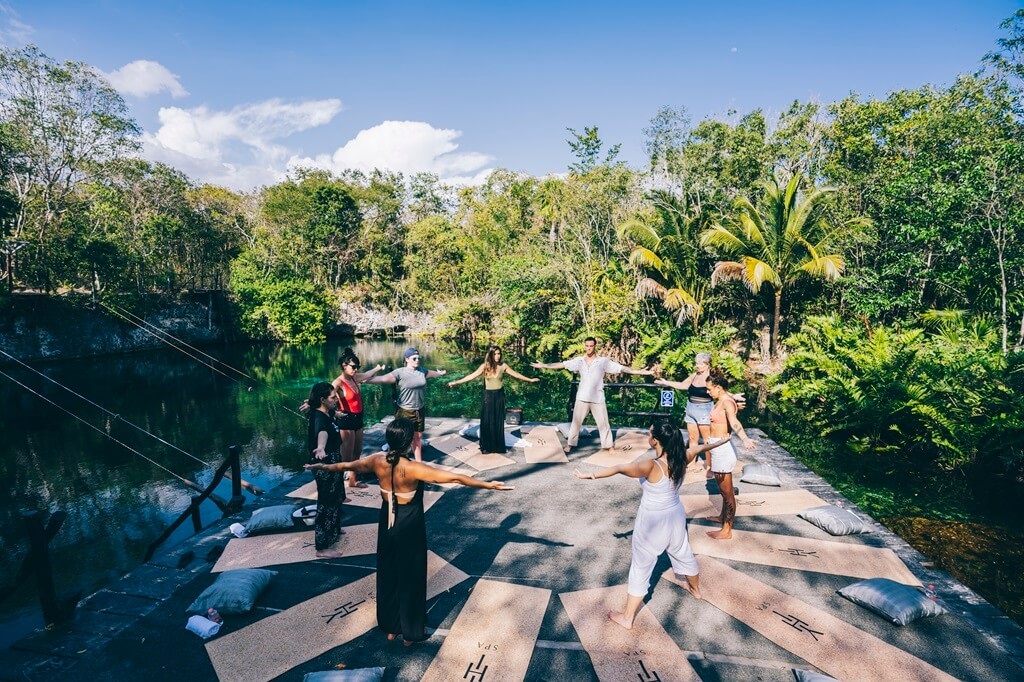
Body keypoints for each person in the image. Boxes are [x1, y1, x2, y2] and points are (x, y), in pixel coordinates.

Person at [306, 418, 513, 644]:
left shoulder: (377, 460)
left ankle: (391, 627)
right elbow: (455, 477)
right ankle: (411, 632)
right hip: (409, 522)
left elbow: (347, 466)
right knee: (411, 575)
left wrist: (322, 466)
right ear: (407, 442)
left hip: (387, 521)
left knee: (389, 572)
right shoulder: (413, 468)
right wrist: (488, 485)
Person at [573, 419, 701, 629]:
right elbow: (701, 447)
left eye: (650, 434)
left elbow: (619, 468)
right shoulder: (683, 457)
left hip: (653, 520)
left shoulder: (651, 465)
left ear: (655, 441)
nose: (648, 437)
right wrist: (721, 442)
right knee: (683, 551)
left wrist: (590, 475)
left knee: (642, 565)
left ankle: (627, 617)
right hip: (676, 515)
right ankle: (696, 591)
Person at [531, 337, 653, 453]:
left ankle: (608, 446)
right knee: (576, 423)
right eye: (587, 346)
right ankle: (570, 444)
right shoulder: (579, 361)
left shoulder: (603, 362)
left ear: (595, 346)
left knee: (603, 424)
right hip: (582, 397)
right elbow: (562, 364)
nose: (588, 348)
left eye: (591, 346)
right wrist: (544, 365)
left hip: (597, 398)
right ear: (585, 346)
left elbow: (622, 368)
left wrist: (640, 372)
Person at [685, 367, 755, 540]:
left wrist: (745, 439)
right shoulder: (723, 399)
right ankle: (722, 518)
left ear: (718, 387)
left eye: (709, 389)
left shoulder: (727, 402)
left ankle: (727, 529)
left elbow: (734, 422)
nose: (708, 392)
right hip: (716, 446)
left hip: (723, 450)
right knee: (723, 491)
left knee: (728, 493)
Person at [446, 346, 539, 454]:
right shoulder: (485, 366)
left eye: (499, 354)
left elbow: (516, 375)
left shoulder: (503, 366)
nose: (497, 356)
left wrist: (530, 380)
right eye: (495, 354)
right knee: (487, 422)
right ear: (490, 355)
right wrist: (456, 382)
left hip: (499, 396)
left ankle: (498, 446)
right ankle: (487, 446)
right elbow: (471, 376)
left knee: (498, 421)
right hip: (488, 396)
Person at [363, 347, 446, 462]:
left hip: (419, 410)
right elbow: (382, 379)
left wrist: (440, 373)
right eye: (414, 358)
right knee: (404, 439)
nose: (417, 360)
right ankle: (401, 463)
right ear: (407, 359)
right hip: (405, 411)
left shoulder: (422, 371)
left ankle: (418, 463)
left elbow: (433, 374)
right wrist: (365, 379)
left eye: (418, 357)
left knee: (418, 437)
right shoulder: (400, 372)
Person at [331, 348, 385, 489]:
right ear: (344, 366)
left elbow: (367, 374)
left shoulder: (354, 378)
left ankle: (353, 481)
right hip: (346, 420)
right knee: (346, 457)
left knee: (357, 452)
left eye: (357, 367)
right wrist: (312, 402)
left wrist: (377, 368)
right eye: (353, 367)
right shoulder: (338, 383)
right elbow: (326, 395)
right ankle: (338, 487)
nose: (356, 370)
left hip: (358, 419)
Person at [306, 381, 346, 558]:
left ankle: (334, 530)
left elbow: (329, 415)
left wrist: (335, 413)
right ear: (323, 400)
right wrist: (321, 447)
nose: (336, 399)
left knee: (337, 496)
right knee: (326, 502)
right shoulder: (319, 418)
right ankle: (321, 548)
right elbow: (322, 432)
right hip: (324, 463)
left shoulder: (326, 411)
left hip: (334, 460)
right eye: (332, 398)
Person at [654, 352, 714, 469]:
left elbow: (720, 390)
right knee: (692, 438)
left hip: (704, 409)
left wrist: (733, 397)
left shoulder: (711, 377)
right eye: (696, 363)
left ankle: (709, 466)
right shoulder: (695, 375)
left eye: (700, 364)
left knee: (707, 440)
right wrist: (666, 382)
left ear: (707, 364)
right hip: (691, 408)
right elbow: (683, 385)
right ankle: (692, 463)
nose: (698, 366)